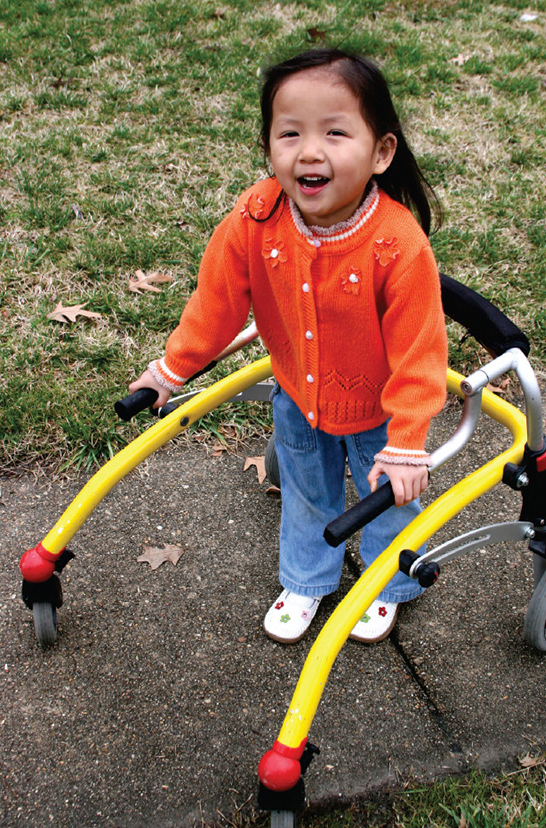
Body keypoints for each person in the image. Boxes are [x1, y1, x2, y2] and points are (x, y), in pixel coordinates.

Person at [128, 48, 448, 644]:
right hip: (298, 396)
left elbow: (420, 353)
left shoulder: (397, 246)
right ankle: (307, 579)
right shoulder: (256, 218)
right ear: (268, 147)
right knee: (306, 494)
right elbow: (216, 303)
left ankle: (385, 583)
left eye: (334, 132)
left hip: (380, 411)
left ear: (381, 152)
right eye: (290, 133)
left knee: (389, 501)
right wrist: (171, 370)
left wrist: (407, 446)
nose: (309, 151)